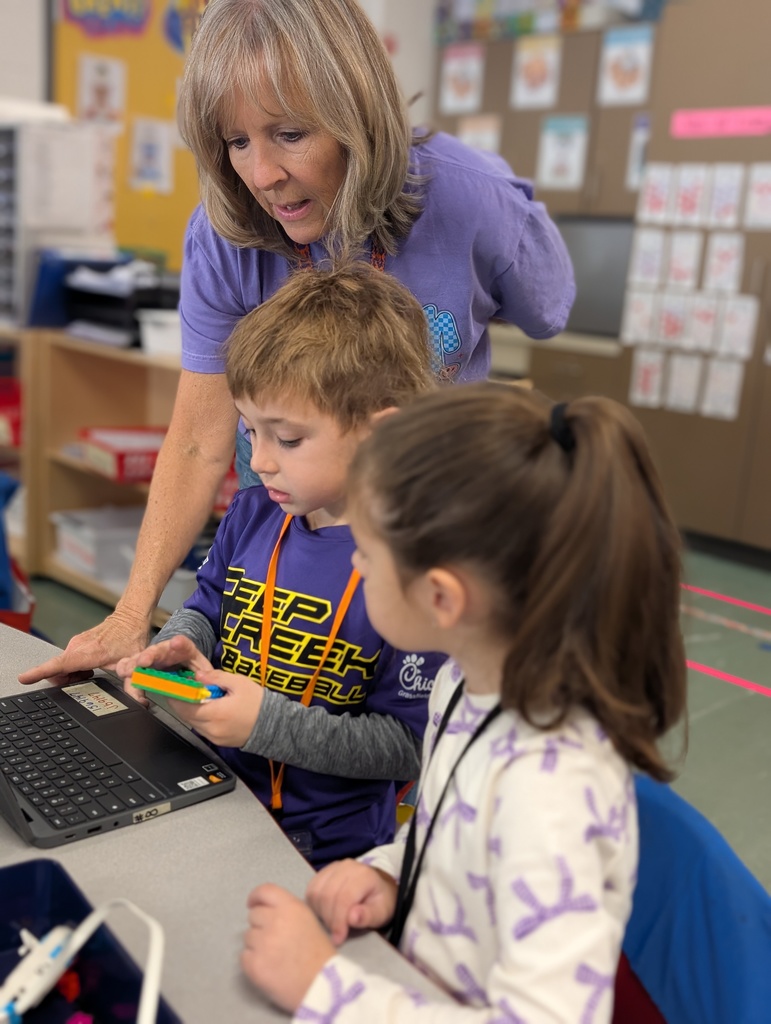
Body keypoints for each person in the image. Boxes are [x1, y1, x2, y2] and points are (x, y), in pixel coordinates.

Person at [19, 0, 575, 687]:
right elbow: (198, 438)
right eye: (236, 141)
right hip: (289, 545)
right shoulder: (225, 236)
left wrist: (508, 222)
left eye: (288, 133)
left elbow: (548, 311)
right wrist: (132, 612)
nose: (262, 175)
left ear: (357, 112)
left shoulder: (469, 197)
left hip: (430, 538)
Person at [238, 383, 688, 1020]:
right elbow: (455, 834)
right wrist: (395, 872)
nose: (357, 569)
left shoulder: (547, 793)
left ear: (443, 600)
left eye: (367, 552)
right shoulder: (465, 685)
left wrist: (324, 988)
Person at [113, 263, 445, 868]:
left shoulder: (422, 571)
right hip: (209, 796)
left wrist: (263, 724)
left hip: (325, 852)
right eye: (249, 431)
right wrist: (178, 646)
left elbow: (408, 746)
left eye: (287, 439)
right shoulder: (255, 511)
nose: (259, 461)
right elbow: (208, 604)